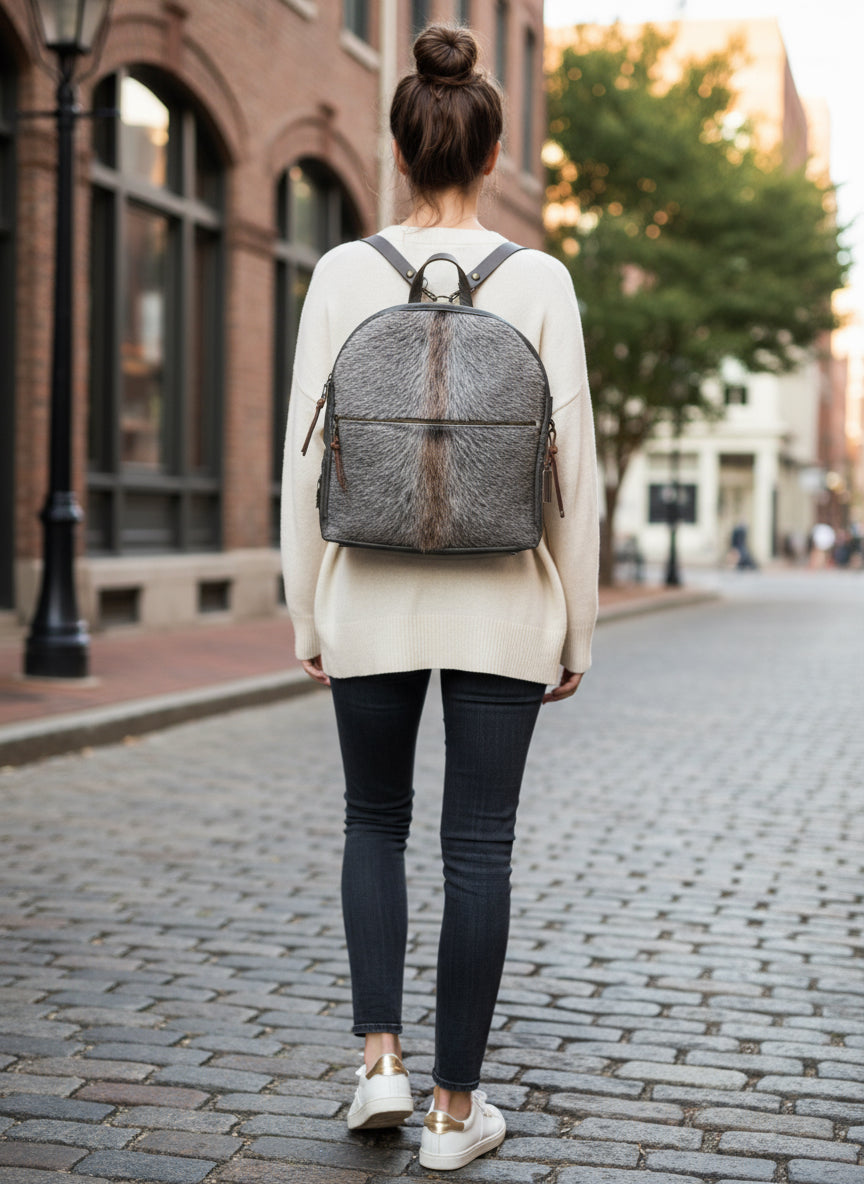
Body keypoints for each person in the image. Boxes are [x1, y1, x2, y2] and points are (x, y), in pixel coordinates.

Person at [280, 23, 599, 1171]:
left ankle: (378, 1062)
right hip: (504, 599)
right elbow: (576, 472)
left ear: (401, 148)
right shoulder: (544, 281)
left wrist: (306, 608)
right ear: (493, 148)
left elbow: (300, 457)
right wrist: (578, 623)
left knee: (374, 820)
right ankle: (457, 1114)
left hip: (365, 588)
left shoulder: (337, 273)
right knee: (480, 847)